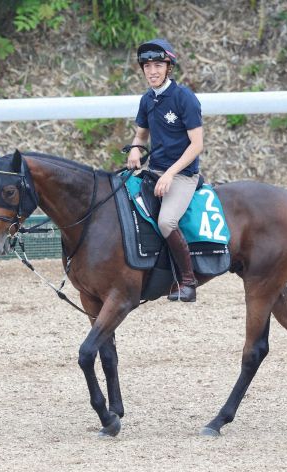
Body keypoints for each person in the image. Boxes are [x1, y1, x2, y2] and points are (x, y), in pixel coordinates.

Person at [127, 38, 203, 302]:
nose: (152, 71)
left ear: (169, 67)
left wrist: (170, 173)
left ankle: (188, 282)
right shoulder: (147, 100)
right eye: (147, 66)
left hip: (182, 175)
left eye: (158, 65)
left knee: (166, 221)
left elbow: (197, 145)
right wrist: (136, 148)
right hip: (154, 171)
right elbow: (141, 135)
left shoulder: (184, 98)